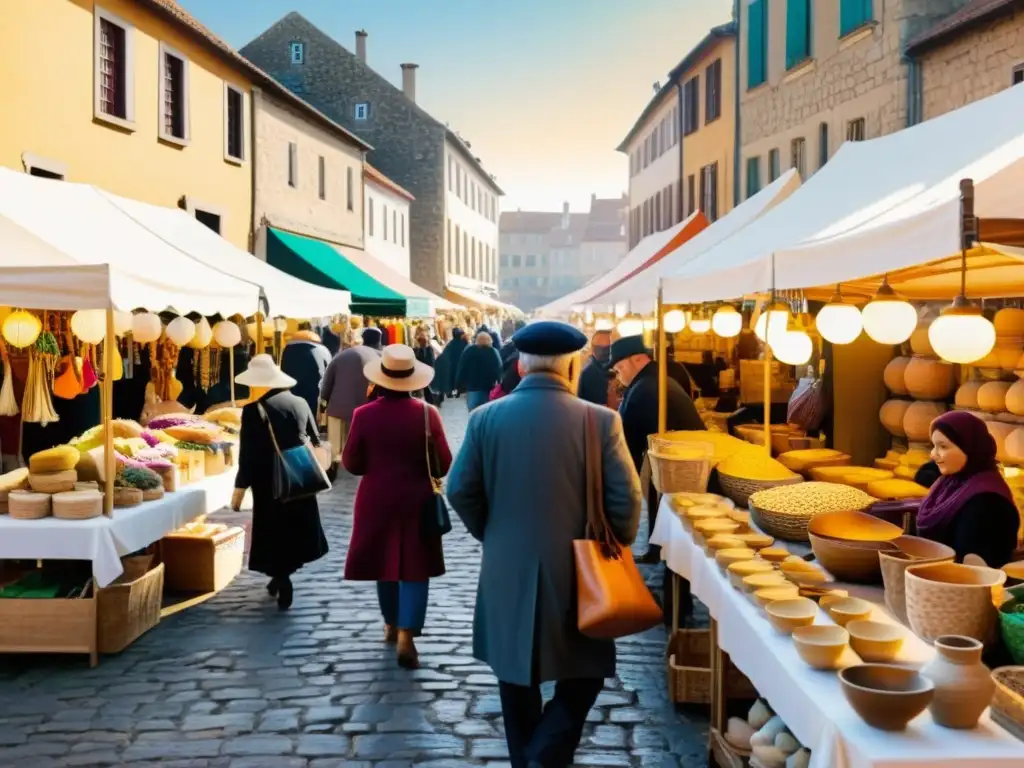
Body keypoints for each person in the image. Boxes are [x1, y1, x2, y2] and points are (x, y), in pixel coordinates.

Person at [447, 321, 642, 768]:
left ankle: (529, 760)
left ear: (519, 365)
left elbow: (459, 490)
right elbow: (627, 498)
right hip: (581, 566)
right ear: (571, 366)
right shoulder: (601, 420)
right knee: (586, 671)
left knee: (515, 675)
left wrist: (491, 533)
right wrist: (618, 542)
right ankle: (546, 753)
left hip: (507, 565)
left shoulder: (484, 419)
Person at [342, 345, 453, 669]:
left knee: (384, 561)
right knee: (415, 568)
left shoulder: (364, 415)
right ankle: (407, 634)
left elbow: (352, 463)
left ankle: (391, 623)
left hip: (376, 498)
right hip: (417, 499)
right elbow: (443, 464)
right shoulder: (426, 413)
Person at [609, 334, 706, 626]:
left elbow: (624, 448)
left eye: (620, 367)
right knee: (675, 544)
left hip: (686, 478)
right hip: (686, 474)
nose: (618, 373)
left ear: (638, 360)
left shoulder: (644, 389)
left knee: (678, 544)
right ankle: (677, 604)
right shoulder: (651, 382)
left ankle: (678, 609)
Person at [231, 355, 329, 611]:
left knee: (273, 532)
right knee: (295, 529)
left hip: (268, 480)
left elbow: (247, 454)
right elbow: (315, 438)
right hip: (300, 475)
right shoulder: (300, 402)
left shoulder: (253, 410)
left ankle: (281, 578)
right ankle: (281, 576)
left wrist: (240, 488)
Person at [914, 411, 1019, 568]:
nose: (934, 454)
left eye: (943, 446)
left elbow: (975, 572)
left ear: (970, 449)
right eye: (934, 446)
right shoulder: (952, 481)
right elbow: (923, 473)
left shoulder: (987, 503)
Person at [320, 327, 383, 460]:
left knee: (335, 450)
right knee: (359, 450)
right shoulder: (380, 357)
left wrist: (324, 402)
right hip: (364, 410)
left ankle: (335, 470)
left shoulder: (344, 354)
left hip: (337, 409)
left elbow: (327, 382)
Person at [280, 325, 333, 419]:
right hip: (313, 393)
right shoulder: (321, 349)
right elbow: (329, 374)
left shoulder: (287, 349)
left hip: (291, 393)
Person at [456, 330, 503, 411]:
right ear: (490, 340)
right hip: (488, 388)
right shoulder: (493, 351)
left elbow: (462, 368)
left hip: (472, 388)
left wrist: (459, 384)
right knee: (486, 413)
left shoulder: (469, 351)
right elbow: (499, 368)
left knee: (473, 413)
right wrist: (499, 382)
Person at [577, 329, 614, 407]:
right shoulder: (589, 373)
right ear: (592, 347)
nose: (602, 352)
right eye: (598, 347)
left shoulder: (619, 369)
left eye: (607, 348)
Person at [437, 328, 468, 398]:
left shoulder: (450, 344)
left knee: (451, 378)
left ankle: (450, 393)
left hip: (452, 365)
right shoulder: (464, 343)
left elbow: (445, 354)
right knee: (459, 378)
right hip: (461, 365)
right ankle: (459, 392)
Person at [413, 329, 439, 405]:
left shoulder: (429, 349)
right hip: (422, 373)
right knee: (424, 391)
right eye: (421, 341)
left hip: (427, 372)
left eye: (424, 341)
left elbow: (431, 361)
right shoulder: (417, 350)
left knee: (427, 391)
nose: (423, 342)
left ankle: (430, 402)